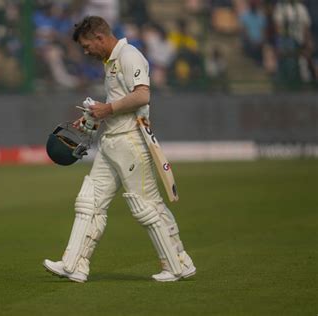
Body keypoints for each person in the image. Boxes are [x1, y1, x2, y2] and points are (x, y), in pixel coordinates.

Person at [43, 16, 196, 283]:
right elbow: (119, 102)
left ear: (100, 38)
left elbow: (142, 95)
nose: (86, 51)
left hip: (131, 141)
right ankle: (74, 265)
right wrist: (95, 115)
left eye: (87, 45)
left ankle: (178, 264)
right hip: (112, 141)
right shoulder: (110, 62)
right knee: (89, 201)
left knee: (145, 205)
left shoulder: (129, 55)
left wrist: (108, 109)